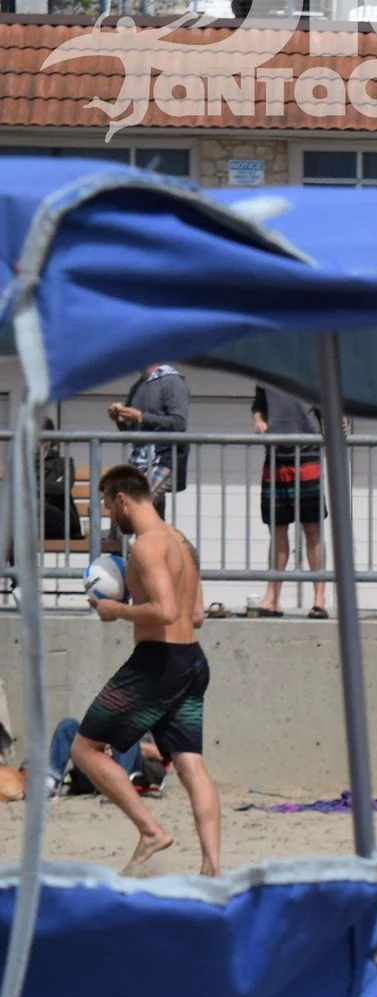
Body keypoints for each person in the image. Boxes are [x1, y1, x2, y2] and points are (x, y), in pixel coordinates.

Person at [70, 465, 218, 875]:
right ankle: (212, 869)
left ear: (122, 499)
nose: (107, 512)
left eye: (106, 504)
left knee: (84, 750)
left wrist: (116, 610)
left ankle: (151, 831)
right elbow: (196, 615)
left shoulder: (146, 547)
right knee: (190, 764)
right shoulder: (181, 542)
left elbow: (166, 611)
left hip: (158, 664)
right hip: (192, 660)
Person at [251, 383, 327, 618]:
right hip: (275, 455)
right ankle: (272, 598)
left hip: (307, 454)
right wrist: (259, 420)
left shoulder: (313, 371)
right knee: (277, 529)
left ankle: (319, 599)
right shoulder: (265, 373)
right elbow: (259, 405)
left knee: (312, 529)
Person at [107, 361, 188, 503]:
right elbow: (132, 431)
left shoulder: (172, 381)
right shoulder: (138, 385)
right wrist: (120, 420)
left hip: (164, 459)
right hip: (139, 461)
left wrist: (141, 417)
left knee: (135, 503)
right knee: (127, 504)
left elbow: (179, 423)